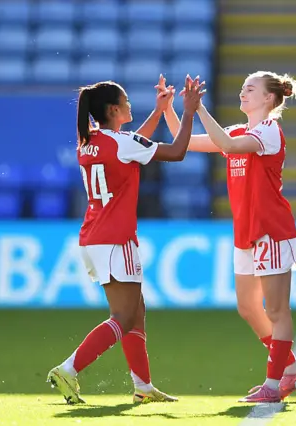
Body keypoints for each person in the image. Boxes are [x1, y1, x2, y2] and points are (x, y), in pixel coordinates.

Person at [46, 76, 204, 405]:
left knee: (135, 310)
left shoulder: (89, 142)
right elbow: (176, 152)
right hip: (117, 239)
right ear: (114, 109)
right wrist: (187, 112)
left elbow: (131, 146)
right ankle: (69, 368)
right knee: (123, 316)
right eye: (127, 101)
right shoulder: (121, 144)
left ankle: (143, 386)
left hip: (93, 236)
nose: (131, 105)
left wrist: (161, 111)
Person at [155, 71, 296, 403]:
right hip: (246, 234)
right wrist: (173, 109)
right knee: (248, 307)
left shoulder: (269, 131)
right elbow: (183, 140)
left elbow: (225, 144)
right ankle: (291, 369)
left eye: (250, 89)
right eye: (241, 87)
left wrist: (199, 109)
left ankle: (273, 384)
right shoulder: (240, 131)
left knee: (276, 310)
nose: (243, 92)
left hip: (270, 230)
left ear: (269, 98)